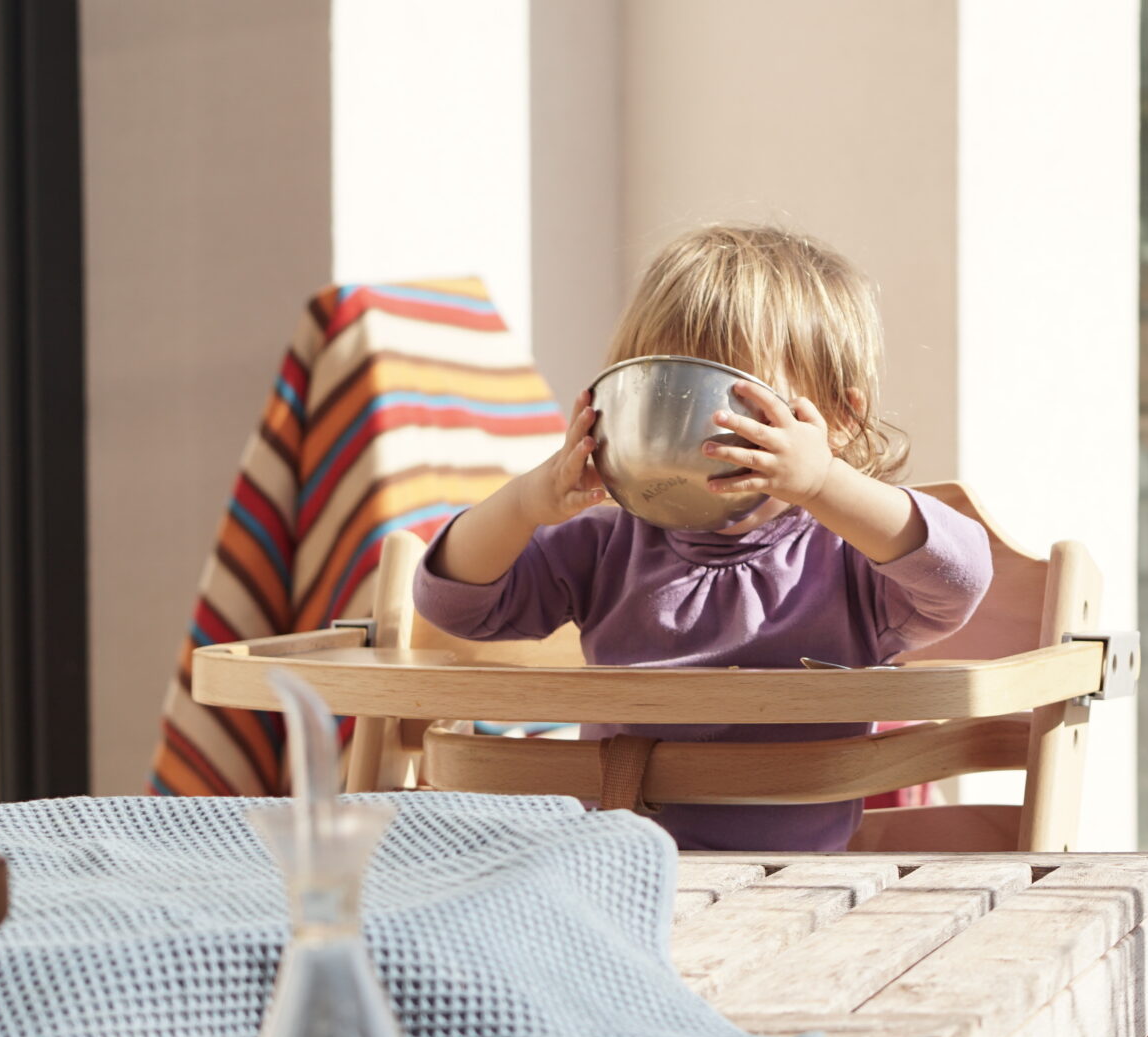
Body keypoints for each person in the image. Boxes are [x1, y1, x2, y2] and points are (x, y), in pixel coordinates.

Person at [413, 223, 994, 851]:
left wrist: (825, 482)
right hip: (617, 867)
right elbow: (456, 606)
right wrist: (526, 502)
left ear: (838, 421)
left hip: (797, 881)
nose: (698, 437)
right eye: (664, 399)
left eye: (737, 408)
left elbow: (959, 579)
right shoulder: (607, 547)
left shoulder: (848, 562)